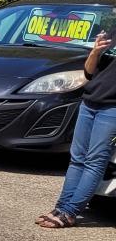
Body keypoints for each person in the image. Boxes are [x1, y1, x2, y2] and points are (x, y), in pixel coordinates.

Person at [37, 28, 116, 228]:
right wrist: (95, 52)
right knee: (77, 158)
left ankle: (70, 212)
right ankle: (61, 207)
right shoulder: (113, 34)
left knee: (94, 161)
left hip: (112, 108)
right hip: (89, 102)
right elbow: (89, 73)